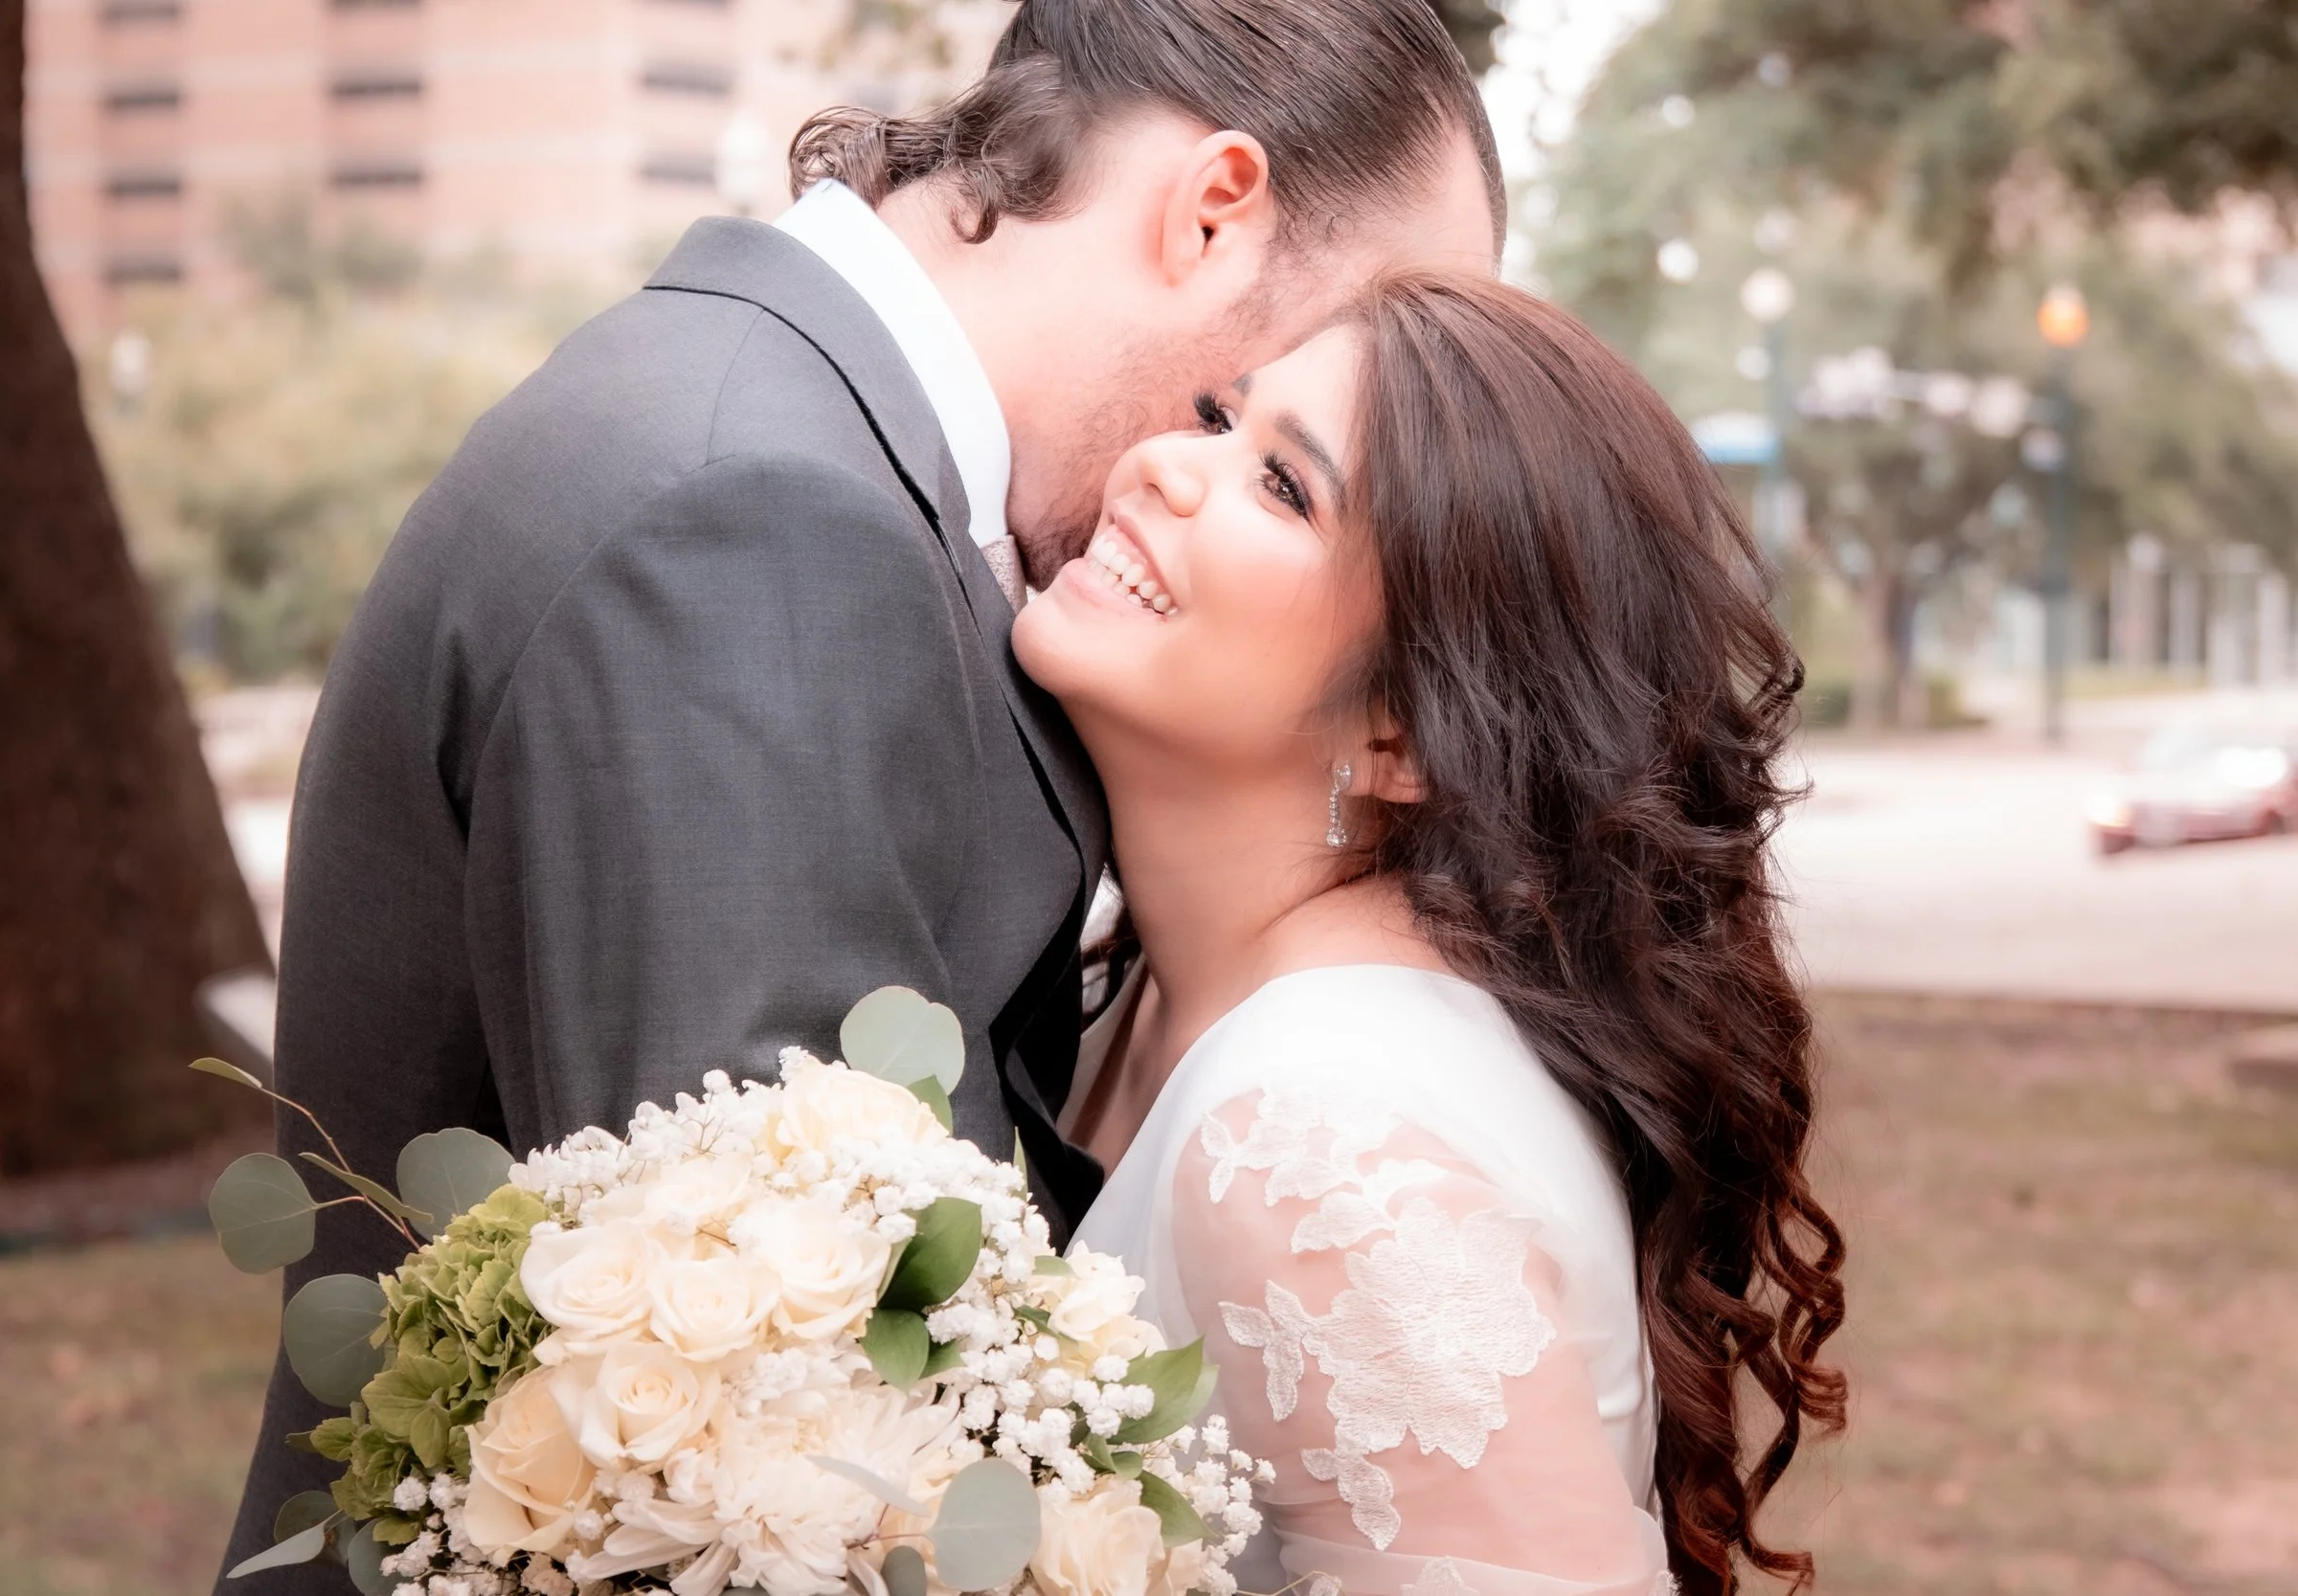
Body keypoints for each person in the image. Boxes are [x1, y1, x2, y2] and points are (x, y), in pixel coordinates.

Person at [219, 2, 1502, 1585]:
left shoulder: (784, 438)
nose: (1357, 402)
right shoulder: (758, 518)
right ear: (1214, 208)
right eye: (1342, 339)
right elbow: (783, 1451)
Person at [1020, 275, 1849, 1593]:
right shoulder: (1159, 986)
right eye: (1221, 415)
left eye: (1284, 486)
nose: (1167, 468)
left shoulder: (1328, 1137)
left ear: (1402, 735)